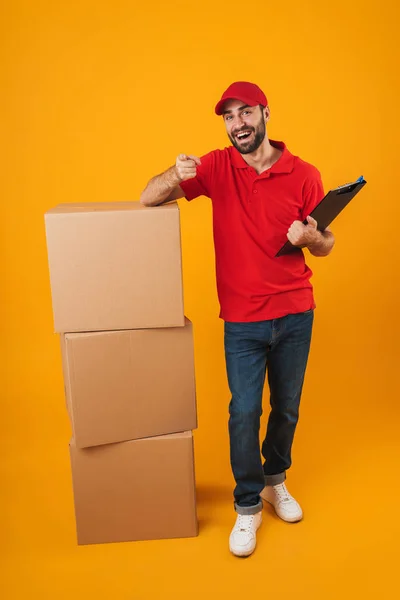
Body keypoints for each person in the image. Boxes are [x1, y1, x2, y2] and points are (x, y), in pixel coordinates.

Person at [140, 81, 335, 557]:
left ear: (266, 113)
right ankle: (247, 506)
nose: (238, 124)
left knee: (286, 408)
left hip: (295, 314)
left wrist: (311, 238)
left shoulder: (304, 174)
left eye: (245, 113)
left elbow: (326, 243)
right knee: (244, 412)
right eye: (229, 117)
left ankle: (275, 481)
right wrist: (175, 171)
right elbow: (148, 197)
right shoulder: (214, 166)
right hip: (243, 321)